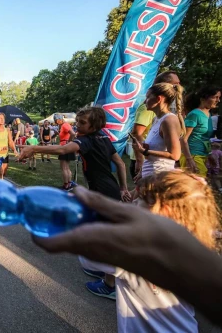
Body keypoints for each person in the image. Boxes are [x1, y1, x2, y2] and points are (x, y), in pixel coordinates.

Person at [33, 183, 222, 329]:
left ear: (159, 212)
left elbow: (87, 257)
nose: (131, 203)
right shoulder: (196, 245)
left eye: (139, 201)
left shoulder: (132, 254)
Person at [19, 107, 131, 299]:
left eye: (82, 123)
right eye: (77, 122)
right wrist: (123, 188)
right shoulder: (103, 138)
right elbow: (120, 164)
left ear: (94, 125)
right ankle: (103, 270)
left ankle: (110, 285)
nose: (77, 126)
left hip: (102, 194)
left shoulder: (85, 141)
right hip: (109, 190)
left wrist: (34, 148)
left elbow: (63, 149)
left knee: (103, 238)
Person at [130, 71, 181, 178]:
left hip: (159, 177)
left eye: (148, 97)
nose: (145, 102)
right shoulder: (156, 119)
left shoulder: (169, 120)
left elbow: (175, 155)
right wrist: (141, 172)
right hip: (149, 175)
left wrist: (145, 151)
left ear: (158, 99)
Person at [180, 85, 221, 177]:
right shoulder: (195, 114)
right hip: (193, 156)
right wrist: (189, 159)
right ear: (203, 98)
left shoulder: (208, 114)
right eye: (215, 97)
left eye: (219, 97)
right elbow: (183, 139)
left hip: (202, 156)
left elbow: (205, 138)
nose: (218, 100)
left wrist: (210, 154)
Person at [54, 114, 77, 190]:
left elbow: (73, 134)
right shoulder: (64, 125)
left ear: (59, 119)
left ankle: (66, 185)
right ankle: (69, 183)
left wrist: (68, 142)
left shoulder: (64, 125)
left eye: (56, 121)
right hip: (67, 147)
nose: (56, 122)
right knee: (66, 167)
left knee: (63, 167)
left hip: (65, 147)